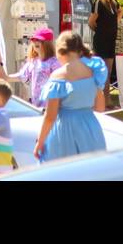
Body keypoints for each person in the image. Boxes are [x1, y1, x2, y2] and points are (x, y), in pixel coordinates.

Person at [34, 32, 106, 162]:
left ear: (60, 50)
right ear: (80, 50)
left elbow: (50, 117)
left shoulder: (58, 76)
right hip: (90, 127)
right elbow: (100, 108)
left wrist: (40, 141)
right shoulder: (94, 72)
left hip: (65, 130)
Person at [89, 0, 122, 101]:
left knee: (107, 73)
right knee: (99, 72)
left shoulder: (113, 1)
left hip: (111, 41)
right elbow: (91, 21)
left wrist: (114, 23)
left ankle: (106, 101)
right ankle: (98, 101)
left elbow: (120, 11)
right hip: (101, 41)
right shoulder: (99, 2)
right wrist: (100, 30)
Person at [12, 28, 58, 107]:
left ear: (48, 44)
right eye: (34, 40)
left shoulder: (54, 62)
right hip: (36, 105)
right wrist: (4, 77)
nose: (36, 42)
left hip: (49, 105)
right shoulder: (33, 62)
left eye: (40, 40)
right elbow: (21, 76)